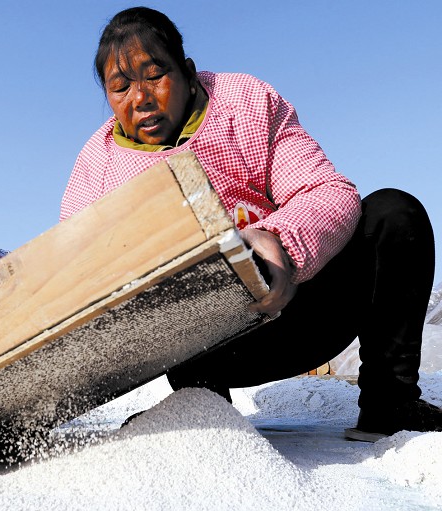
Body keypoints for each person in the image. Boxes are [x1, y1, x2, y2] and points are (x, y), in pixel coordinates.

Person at [60, 6, 441, 442]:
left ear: (187, 72)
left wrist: (280, 243)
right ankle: (200, 411)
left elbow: (327, 189)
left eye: (155, 75)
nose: (141, 97)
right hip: (207, 350)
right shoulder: (97, 165)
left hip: (303, 312)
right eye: (120, 87)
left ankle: (390, 403)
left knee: (394, 213)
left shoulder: (245, 101)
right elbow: (76, 273)